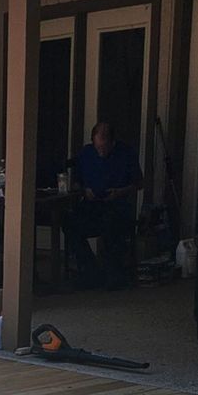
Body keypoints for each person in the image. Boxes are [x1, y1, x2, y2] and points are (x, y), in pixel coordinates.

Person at [68, 122, 142, 289]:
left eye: (104, 148)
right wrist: (85, 190)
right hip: (92, 204)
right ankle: (90, 269)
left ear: (112, 143)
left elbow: (138, 183)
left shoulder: (126, 153)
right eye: (97, 148)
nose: (100, 152)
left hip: (117, 205)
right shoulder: (86, 153)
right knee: (70, 222)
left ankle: (113, 274)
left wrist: (119, 192)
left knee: (112, 224)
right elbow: (76, 183)